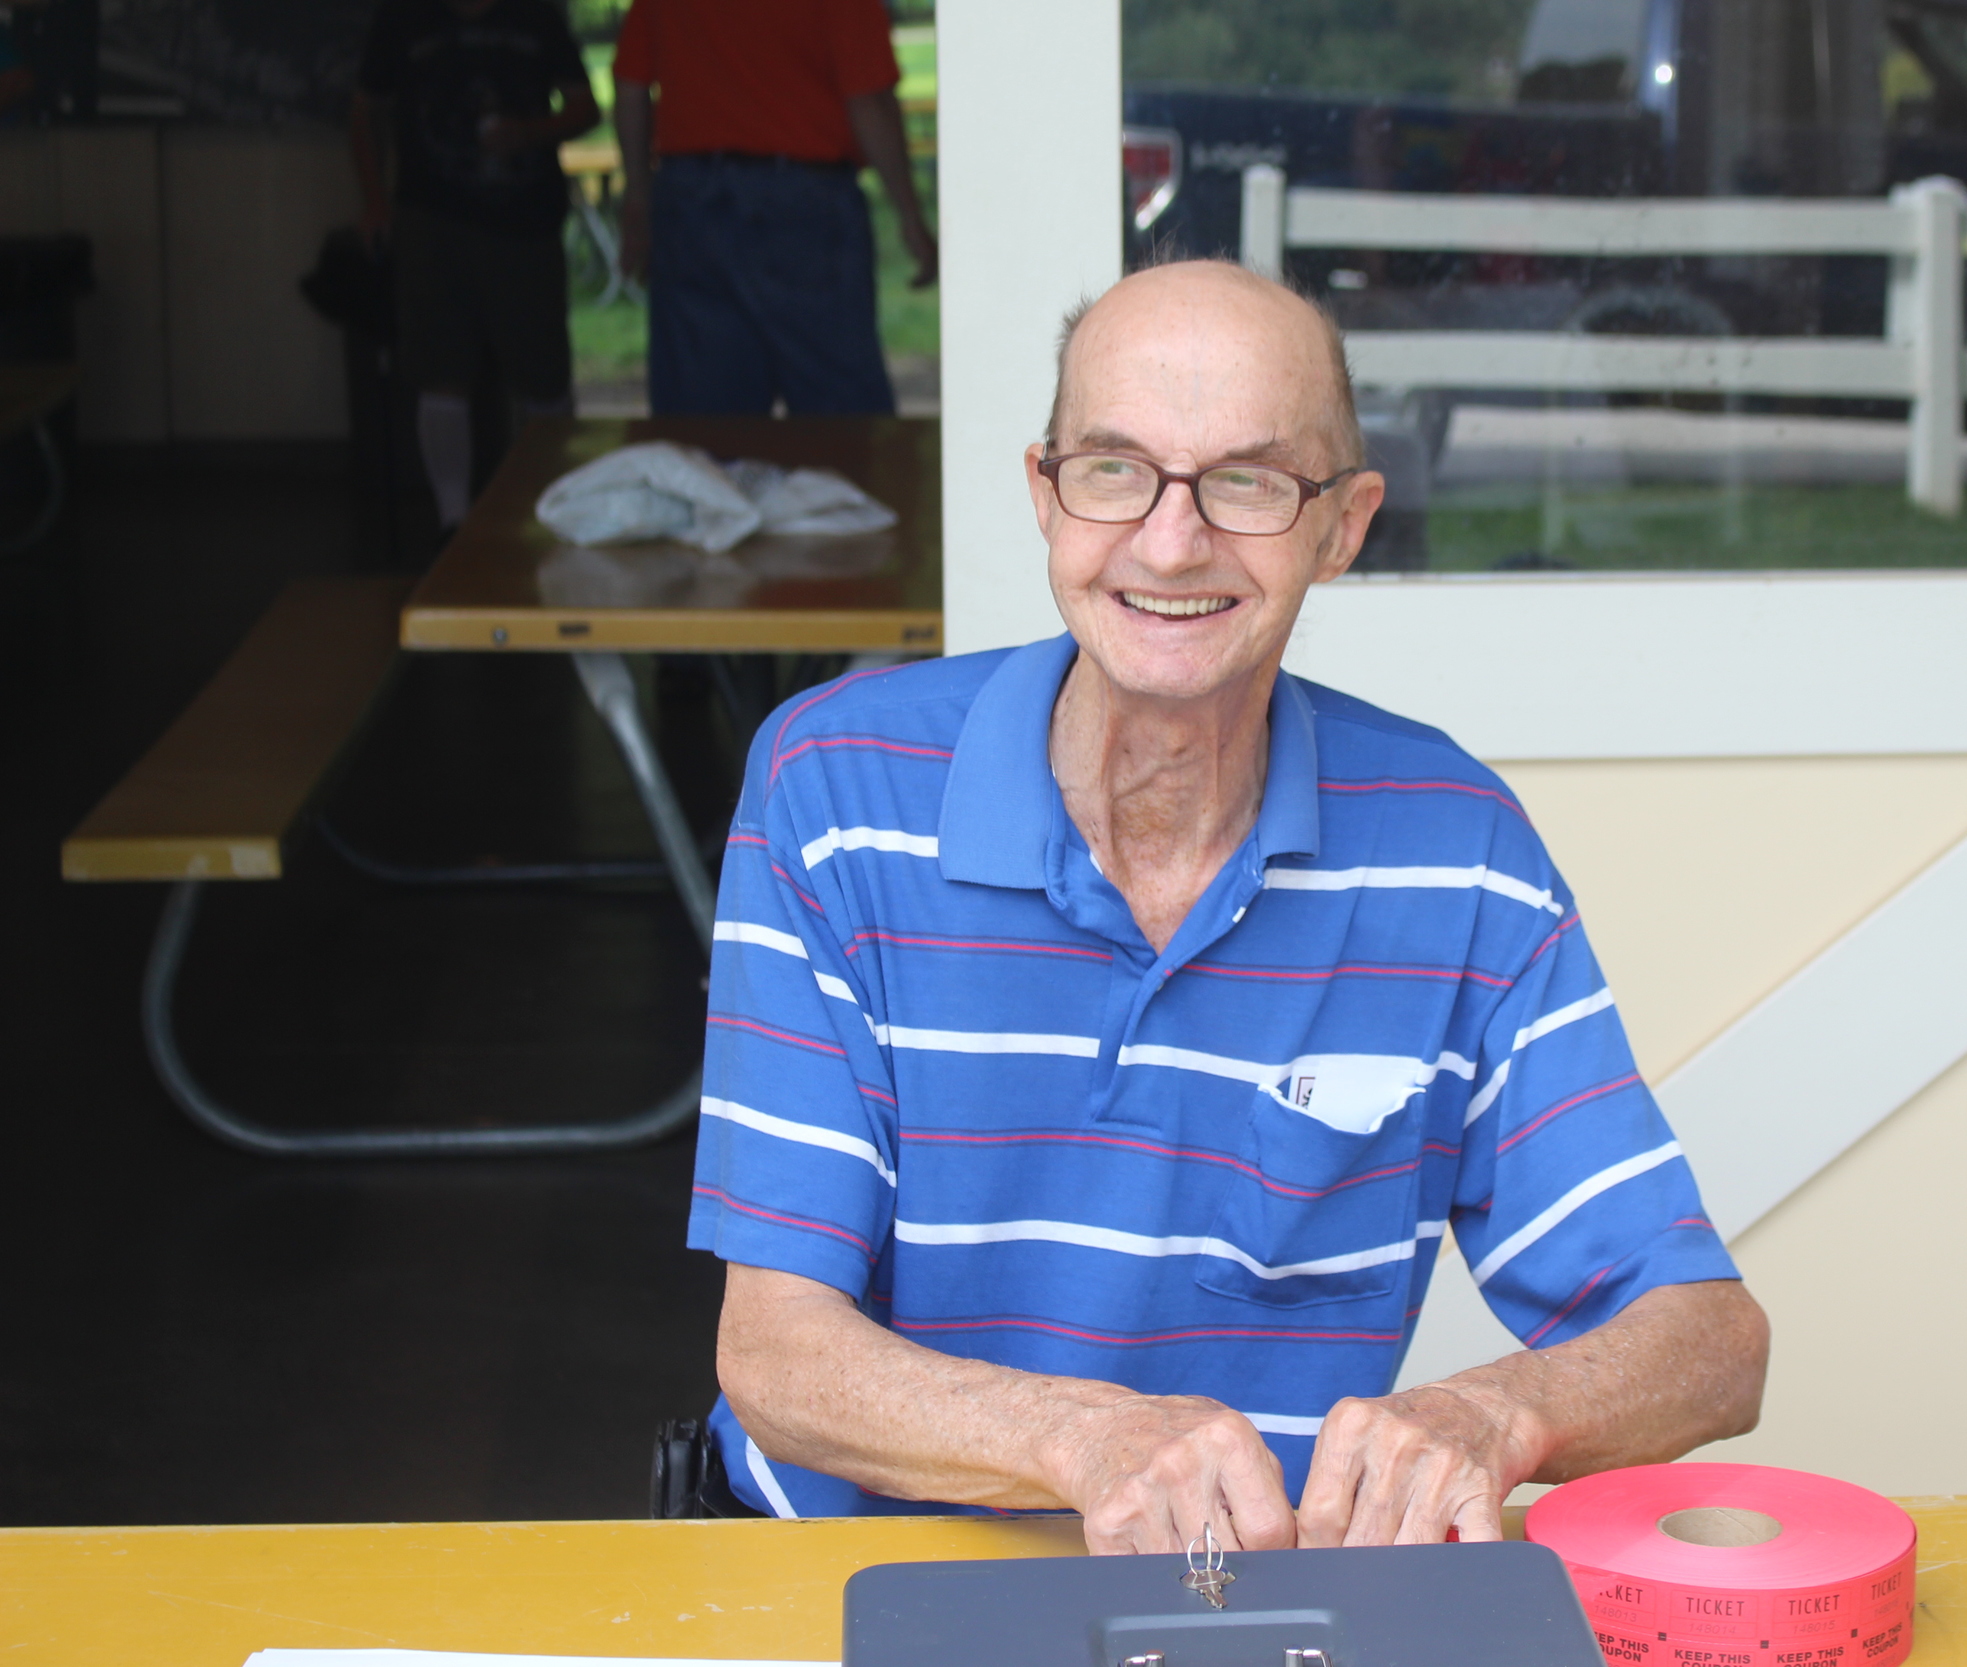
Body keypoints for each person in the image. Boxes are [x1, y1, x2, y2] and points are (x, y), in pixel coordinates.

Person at [692, 260, 1769, 1549]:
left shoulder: (1457, 848)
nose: (1168, 539)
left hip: (1244, 1602)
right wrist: (1089, 1439)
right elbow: (777, 1357)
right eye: (1112, 469)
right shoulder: (834, 790)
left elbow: (1710, 1341)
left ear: (1344, 523)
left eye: (1247, 481)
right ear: (1044, 493)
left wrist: (1496, 1411)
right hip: (853, 1570)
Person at [611, 0, 935, 417]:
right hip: (804, 202)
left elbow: (631, 85)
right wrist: (910, 214)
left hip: (692, 201)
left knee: (704, 425)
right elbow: (868, 99)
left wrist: (638, 196)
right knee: (838, 421)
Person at [351, 0, 597, 532]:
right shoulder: (403, 17)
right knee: (440, 371)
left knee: (544, 376)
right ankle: (452, 522)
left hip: (523, 221)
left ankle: (559, 513)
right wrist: (375, 200)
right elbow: (364, 105)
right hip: (430, 219)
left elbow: (585, 107)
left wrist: (527, 132)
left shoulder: (536, 16)